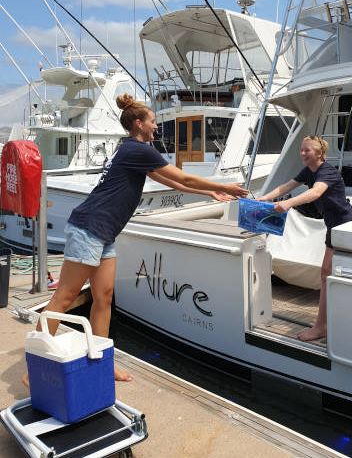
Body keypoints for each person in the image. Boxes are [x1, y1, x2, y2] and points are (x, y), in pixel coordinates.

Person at [23, 94, 247, 386]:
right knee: (63, 298)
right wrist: (223, 185)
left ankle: (102, 363)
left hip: (104, 233)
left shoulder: (133, 150)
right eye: (153, 122)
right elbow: (185, 178)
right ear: (139, 124)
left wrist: (209, 194)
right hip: (89, 228)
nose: (156, 127)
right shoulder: (136, 149)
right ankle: (35, 367)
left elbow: (171, 181)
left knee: (104, 299)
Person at [257, 135, 352, 342]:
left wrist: (288, 204)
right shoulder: (308, 171)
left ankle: (322, 326)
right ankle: (325, 324)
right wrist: (264, 198)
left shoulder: (326, 171)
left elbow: (316, 193)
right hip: (333, 225)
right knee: (327, 273)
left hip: (343, 226)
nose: (302, 153)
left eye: (307, 150)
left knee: (328, 274)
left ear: (319, 153)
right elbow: (286, 187)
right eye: (301, 149)